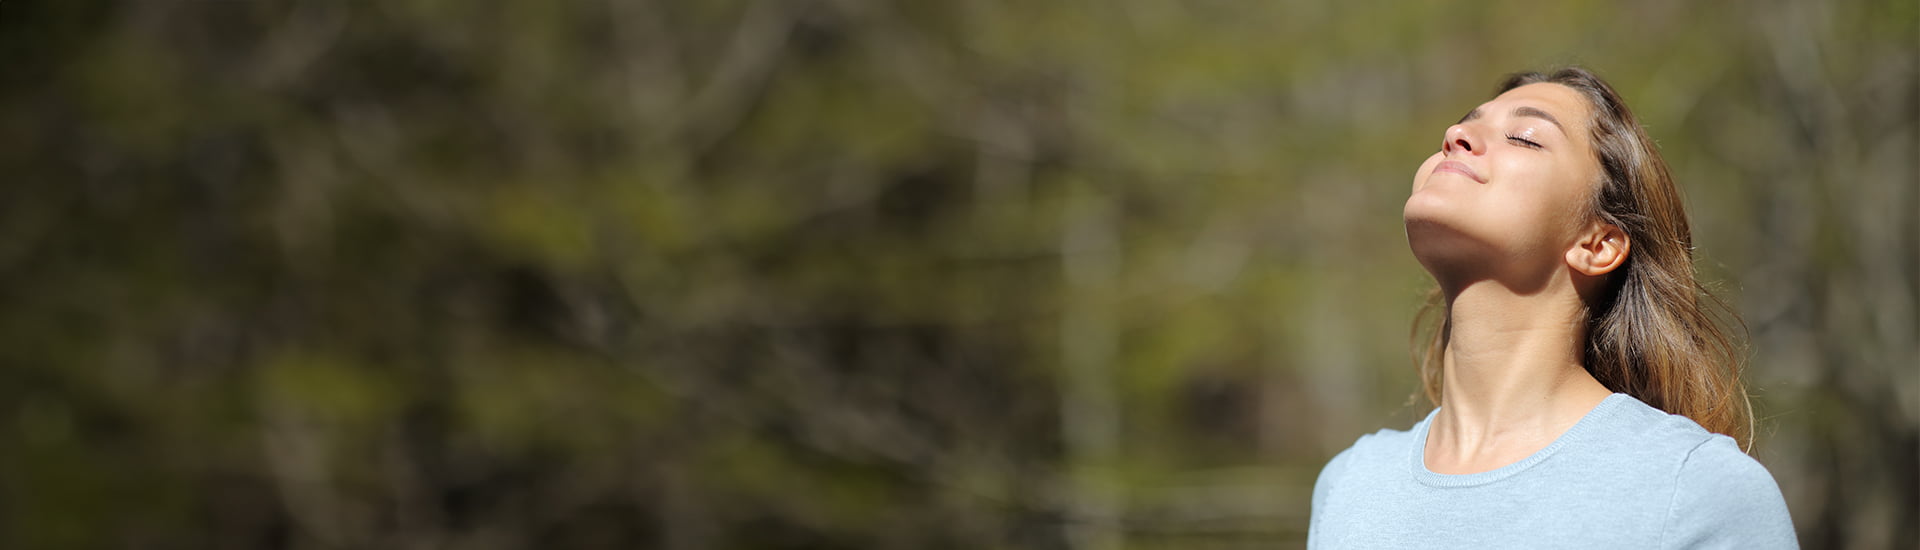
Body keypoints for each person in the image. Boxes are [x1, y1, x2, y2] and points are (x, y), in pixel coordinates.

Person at [1307, 67, 1796, 548]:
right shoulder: (1350, 483)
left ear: (1598, 244)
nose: (1456, 135)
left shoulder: (1697, 489)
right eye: (1463, 124)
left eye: (1523, 137)